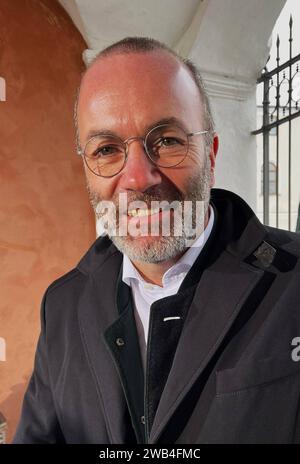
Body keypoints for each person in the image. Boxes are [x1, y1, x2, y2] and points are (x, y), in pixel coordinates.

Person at [14, 37, 300, 444]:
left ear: (211, 154)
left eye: (166, 140)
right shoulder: (62, 306)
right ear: (87, 169)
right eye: (107, 149)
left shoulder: (292, 283)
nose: (137, 178)